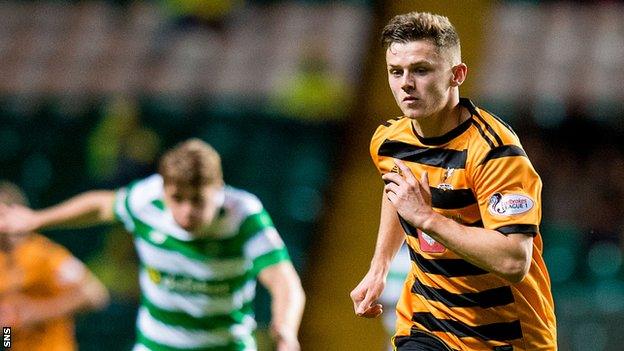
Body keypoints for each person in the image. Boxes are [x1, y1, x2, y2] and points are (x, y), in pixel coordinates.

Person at [349, 12, 556, 351]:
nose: (405, 84)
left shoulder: (495, 152)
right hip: (428, 324)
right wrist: (379, 267)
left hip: (505, 337)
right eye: (395, 71)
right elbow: (397, 192)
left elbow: (514, 261)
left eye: (421, 70)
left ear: (456, 75)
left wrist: (427, 218)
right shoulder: (389, 141)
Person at [0, 139, 306, 351]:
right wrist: (38, 219)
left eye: (198, 200)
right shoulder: (146, 199)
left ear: (219, 189)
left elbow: (284, 282)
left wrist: (286, 331)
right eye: (177, 199)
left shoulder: (244, 216)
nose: (187, 212)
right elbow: (102, 205)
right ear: (164, 190)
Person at [0, 181, 110, 351]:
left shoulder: (45, 254)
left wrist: (40, 311)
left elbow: (95, 294)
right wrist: (6, 341)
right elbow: (8, 321)